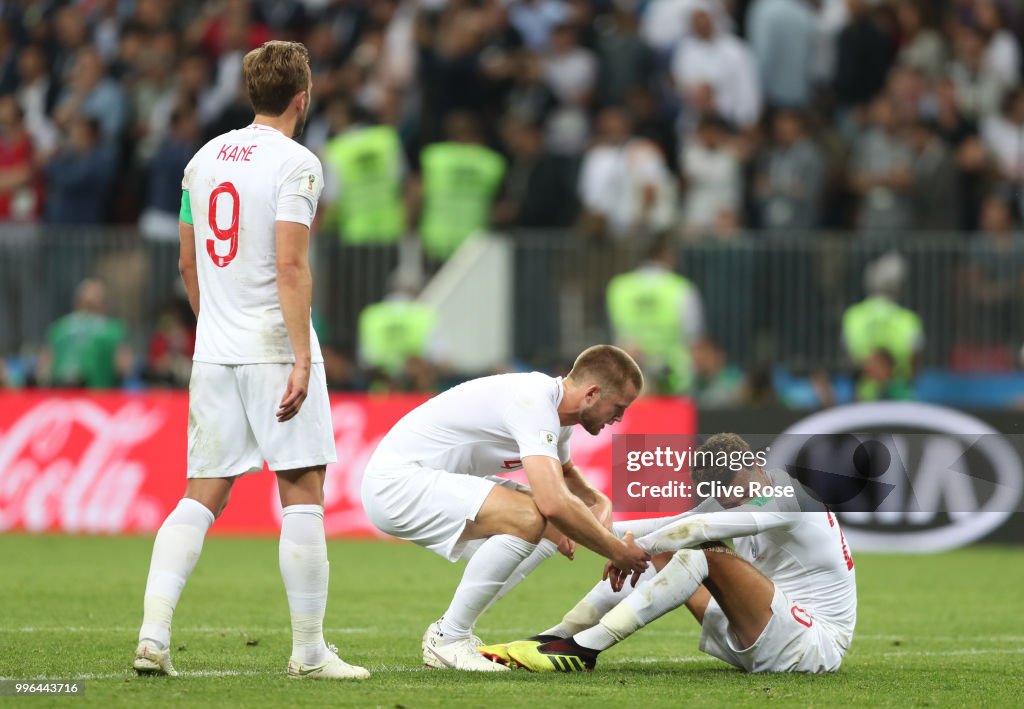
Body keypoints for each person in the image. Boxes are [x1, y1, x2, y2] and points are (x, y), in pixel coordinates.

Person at [132, 41, 369, 681]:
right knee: (302, 492)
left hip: (214, 346)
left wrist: (216, 324)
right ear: (304, 97)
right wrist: (299, 357)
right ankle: (310, 653)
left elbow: (187, 262)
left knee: (200, 495)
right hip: (272, 342)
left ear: (250, 94)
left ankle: (153, 637)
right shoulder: (298, 165)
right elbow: (290, 263)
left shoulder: (201, 159)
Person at [360, 344, 651, 671]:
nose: (619, 418)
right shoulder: (533, 402)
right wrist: (616, 550)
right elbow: (553, 502)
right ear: (592, 394)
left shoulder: (558, 413)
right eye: (619, 406)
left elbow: (567, 478)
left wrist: (599, 500)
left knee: (549, 528)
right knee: (530, 516)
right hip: (398, 485)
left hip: (423, 481)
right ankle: (449, 638)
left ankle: (454, 631)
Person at [489, 433, 857, 674]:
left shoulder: (790, 498)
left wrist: (630, 551)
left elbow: (700, 530)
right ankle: (555, 637)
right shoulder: (739, 491)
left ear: (755, 465)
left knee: (699, 552)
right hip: (759, 629)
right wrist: (577, 530)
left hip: (813, 645)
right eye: (728, 499)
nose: (738, 504)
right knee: (672, 547)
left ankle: (583, 650)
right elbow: (673, 522)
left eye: (742, 491)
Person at [606, 238, 705, 395]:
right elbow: (694, 338)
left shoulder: (619, 287)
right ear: (668, 255)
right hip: (675, 381)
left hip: (631, 380)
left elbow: (616, 334)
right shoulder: (681, 288)